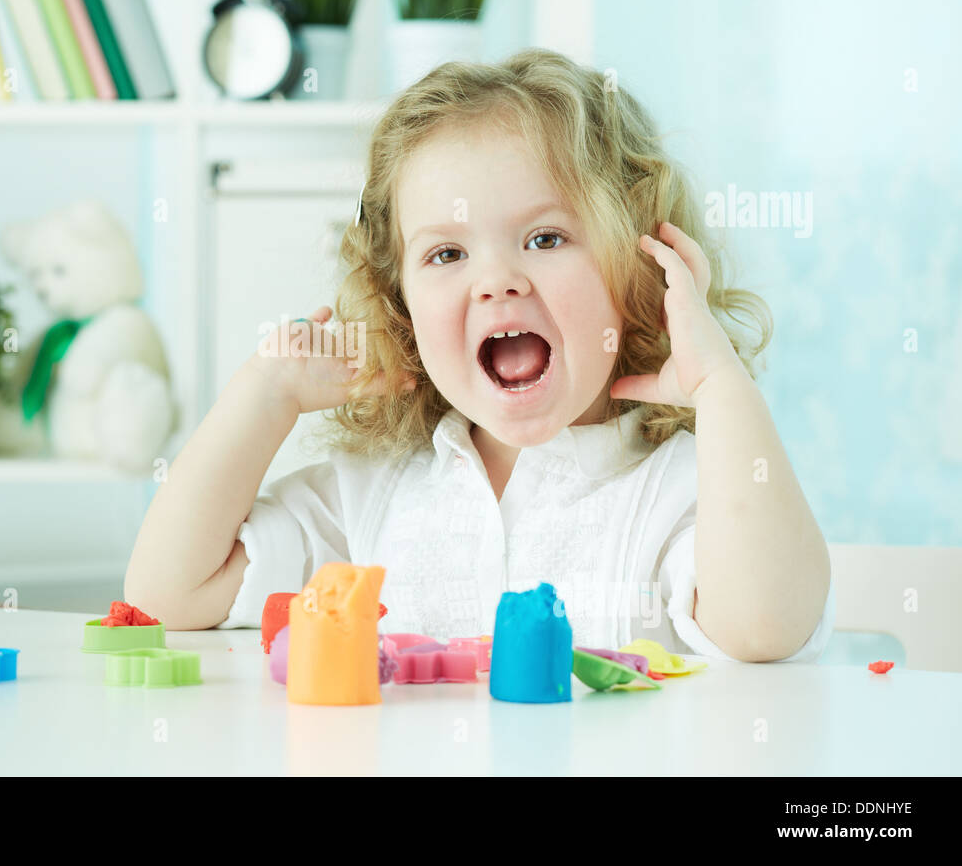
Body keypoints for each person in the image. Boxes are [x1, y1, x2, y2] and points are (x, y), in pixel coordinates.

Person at [125, 48, 834, 662]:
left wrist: (719, 385)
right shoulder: (369, 498)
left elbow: (765, 625)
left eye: (546, 238)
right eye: (447, 253)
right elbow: (167, 593)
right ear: (399, 304)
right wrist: (265, 393)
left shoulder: (685, 489)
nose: (497, 280)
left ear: (641, 267)